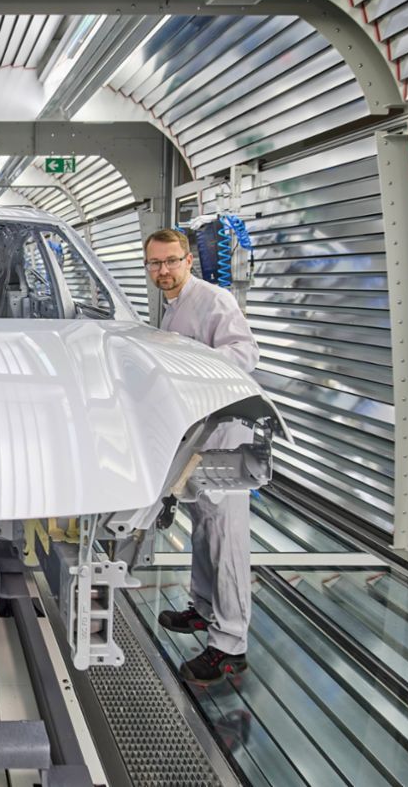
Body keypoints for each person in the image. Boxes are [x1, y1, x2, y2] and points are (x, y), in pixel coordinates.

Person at [144, 228, 261, 685]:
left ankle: (230, 646)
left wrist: (192, 364)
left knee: (226, 541)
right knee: (203, 529)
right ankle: (204, 609)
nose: (164, 271)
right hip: (196, 436)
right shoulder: (174, 306)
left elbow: (245, 353)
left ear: (188, 259)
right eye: (155, 264)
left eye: (171, 261)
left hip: (223, 441)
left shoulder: (214, 301)